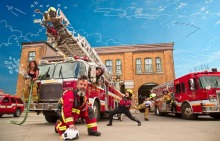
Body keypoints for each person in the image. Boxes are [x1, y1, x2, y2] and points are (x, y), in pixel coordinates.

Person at [55, 75, 101, 139]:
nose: (83, 86)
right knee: (65, 131)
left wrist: (85, 109)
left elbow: (83, 106)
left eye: (85, 85)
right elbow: (67, 110)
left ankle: (92, 130)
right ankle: (58, 124)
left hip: (77, 113)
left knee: (90, 110)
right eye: (81, 84)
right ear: (77, 84)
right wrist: (70, 124)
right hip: (67, 114)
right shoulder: (70, 94)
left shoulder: (84, 95)